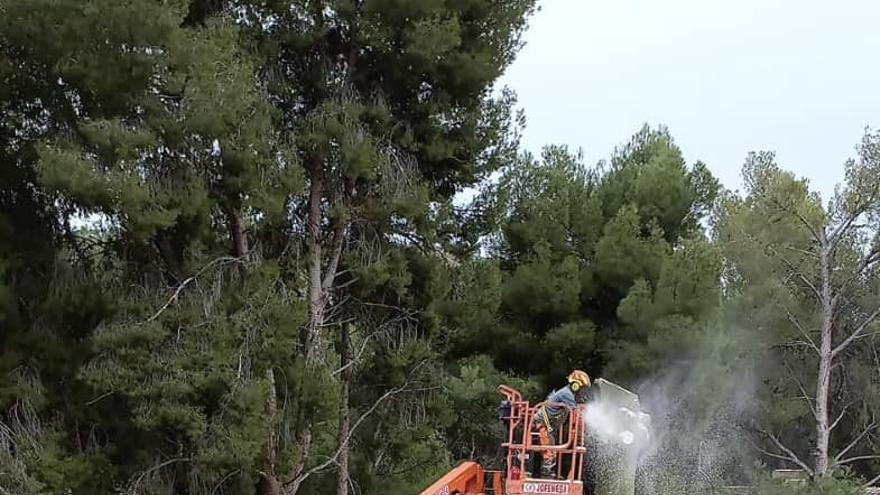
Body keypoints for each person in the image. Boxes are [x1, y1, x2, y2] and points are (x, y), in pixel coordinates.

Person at [531, 369, 591, 478]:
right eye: (581, 388)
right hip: (543, 423)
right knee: (549, 451)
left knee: (551, 447)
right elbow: (576, 412)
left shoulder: (568, 394)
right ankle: (547, 475)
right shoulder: (567, 394)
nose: (582, 391)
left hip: (549, 424)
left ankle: (549, 473)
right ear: (575, 385)